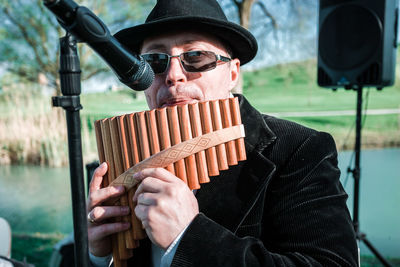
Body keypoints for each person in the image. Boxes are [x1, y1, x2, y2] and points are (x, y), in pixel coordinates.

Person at [86, 0, 358, 266]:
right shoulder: (122, 159)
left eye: (195, 56)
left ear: (232, 74)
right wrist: (102, 257)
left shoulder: (300, 150)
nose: (173, 75)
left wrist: (189, 237)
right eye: (154, 61)